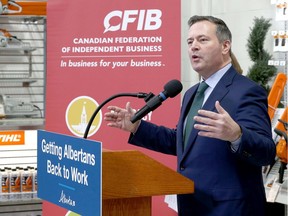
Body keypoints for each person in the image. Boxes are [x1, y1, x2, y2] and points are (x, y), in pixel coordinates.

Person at [104, 15, 276, 216]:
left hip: (229, 209)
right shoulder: (192, 93)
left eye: (202, 40)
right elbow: (182, 143)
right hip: (192, 205)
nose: (194, 46)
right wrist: (136, 126)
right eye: (190, 41)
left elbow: (266, 152)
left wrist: (237, 134)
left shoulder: (246, 91)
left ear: (225, 46)